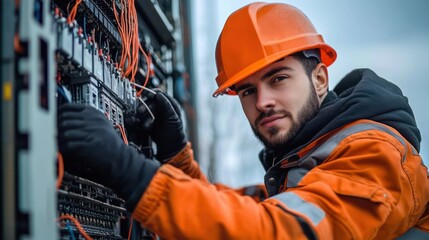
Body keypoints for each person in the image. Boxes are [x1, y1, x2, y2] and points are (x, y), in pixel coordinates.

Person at [58, 2, 429, 239]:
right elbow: (240, 213)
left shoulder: (373, 153)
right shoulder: (306, 162)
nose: (263, 102)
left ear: (319, 78)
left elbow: (279, 231)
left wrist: (130, 171)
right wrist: (175, 156)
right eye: (248, 91)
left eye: (279, 78)